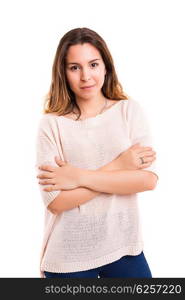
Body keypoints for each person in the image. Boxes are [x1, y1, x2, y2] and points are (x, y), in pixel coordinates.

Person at [35, 27, 158, 278]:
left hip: (125, 247)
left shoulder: (128, 111)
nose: (86, 77)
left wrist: (77, 177)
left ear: (106, 67)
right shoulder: (52, 124)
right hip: (69, 256)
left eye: (93, 64)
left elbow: (147, 180)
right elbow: (57, 202)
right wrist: (120, 166)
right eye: (74, 67)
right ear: (63, 73)